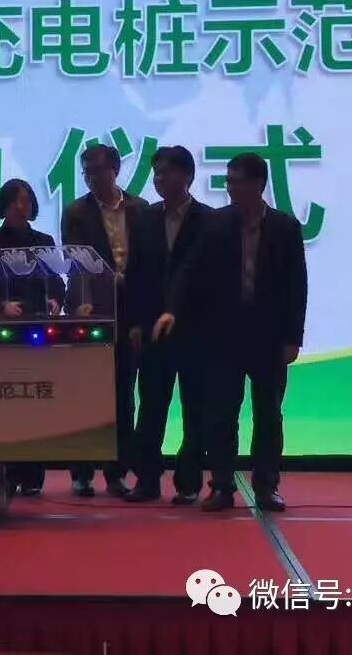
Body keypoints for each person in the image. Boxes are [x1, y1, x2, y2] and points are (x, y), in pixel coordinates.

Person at [169, 152, 307, 513]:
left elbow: (297, 287)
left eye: (237, 181)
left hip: (269, 338)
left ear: (258, 184)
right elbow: (190, 273)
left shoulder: (285, 228)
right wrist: (172, 310)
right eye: (228, 181)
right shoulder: (216, 223)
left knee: (268, 415)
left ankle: (267, 487)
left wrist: (293, 338)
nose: (230, 188)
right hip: (223, 338)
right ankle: (222, 485)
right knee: (221, 414)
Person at [124, 146, 213, 505]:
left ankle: (188, 481)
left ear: (187, 176)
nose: (159, 179)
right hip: (151, 329)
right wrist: (134, 322)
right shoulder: (145, 218)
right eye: (156, 173)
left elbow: (207, 278)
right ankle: (147, 480)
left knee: (195, 410)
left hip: (195, 331)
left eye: (166, 172)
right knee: (151, 408)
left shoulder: (209, 220)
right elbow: (135, 275)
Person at [62, 144, 147, 498]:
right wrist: (83, 303)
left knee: (123, 396)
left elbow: (148, 264)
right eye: (87, 172)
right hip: (91, 310)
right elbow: (75, 262)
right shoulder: (76, 212)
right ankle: (81, 473)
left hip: (129, 312)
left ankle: (116, 472)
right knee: (86, 395)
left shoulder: (140, 209)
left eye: (98, 170)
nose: (92, 178)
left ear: (115, 170)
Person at [0, 178, 66, 497]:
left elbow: (56, 279)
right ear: (4, 205)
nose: (21, 206)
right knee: (2, 399)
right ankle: (4, 470)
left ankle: (32, 474)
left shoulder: (43, 241)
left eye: (26, 200)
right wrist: (1, 305)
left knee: (34, 399)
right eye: (15, 200)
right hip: (1, 330)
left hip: (36, 329)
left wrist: (56, 300)